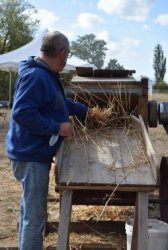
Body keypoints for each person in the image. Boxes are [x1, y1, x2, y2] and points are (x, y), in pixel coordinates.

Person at [6, 31, 92, 250]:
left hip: (31, 155)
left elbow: (59, 102)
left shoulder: (45, 74)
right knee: (35, 218)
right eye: (68, 53)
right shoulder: (36, 76)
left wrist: (86, 112)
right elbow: (22, 113)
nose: (67, 58)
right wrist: (57, 127)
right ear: (62, 53)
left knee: (30, 213)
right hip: (31, 157)